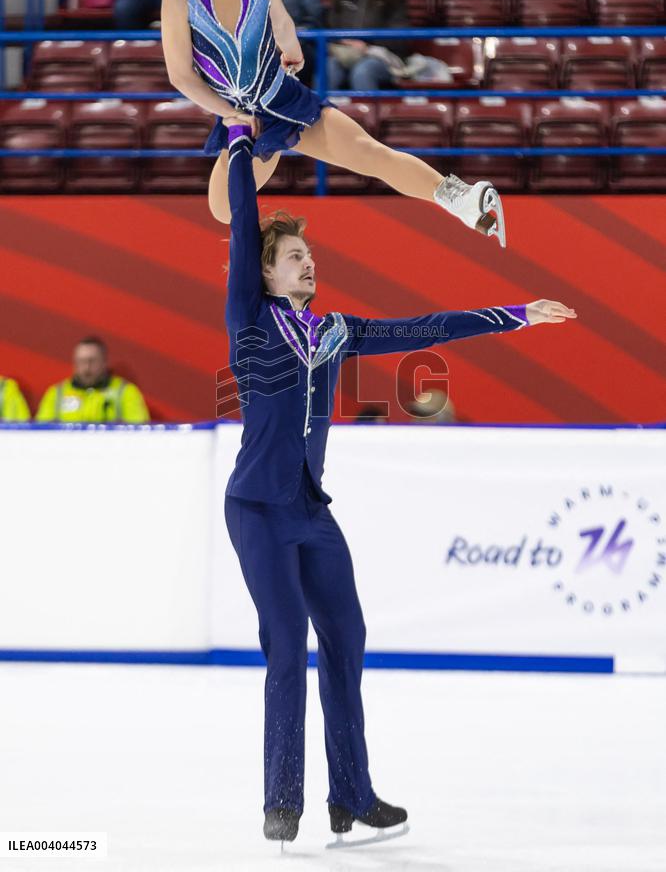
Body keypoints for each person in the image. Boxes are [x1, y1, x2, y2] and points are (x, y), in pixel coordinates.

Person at [222, 123, 577, 842]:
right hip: (257, 508)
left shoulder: (335, 333)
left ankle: (351, 794)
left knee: (346, 638)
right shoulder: (250, 319)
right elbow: (245, 226)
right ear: (266, 275)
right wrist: (236, 136)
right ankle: (281, 798)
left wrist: (513, 315)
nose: (309, 266)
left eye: (311, 258)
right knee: (287, 640)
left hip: (310, 512)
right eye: (296, 258)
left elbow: (424, 328)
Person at [160, 0, 507, 247]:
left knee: (369, 152)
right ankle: (275, 257)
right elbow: (181, 75)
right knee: (223, 210)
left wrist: (291, 48)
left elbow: (281, 22)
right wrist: (231, 114)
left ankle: (462, 199)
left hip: (286, 101)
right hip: (243, 120)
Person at [327, 0, 409, 94]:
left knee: (363, 71)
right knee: (329, 68)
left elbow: (399, 36)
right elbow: (331, 30)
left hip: (382, 56)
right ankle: (325, 117)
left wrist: (367, 47)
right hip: (347, 53)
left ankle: (367, 117)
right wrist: (343, 43)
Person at [36, 337, 150, 424]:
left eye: (92, 361)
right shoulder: (56, 394)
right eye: (81, 361)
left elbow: (140, 433)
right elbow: (41, 434)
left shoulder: (125, 393)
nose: (86, 367)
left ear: (105, 362)